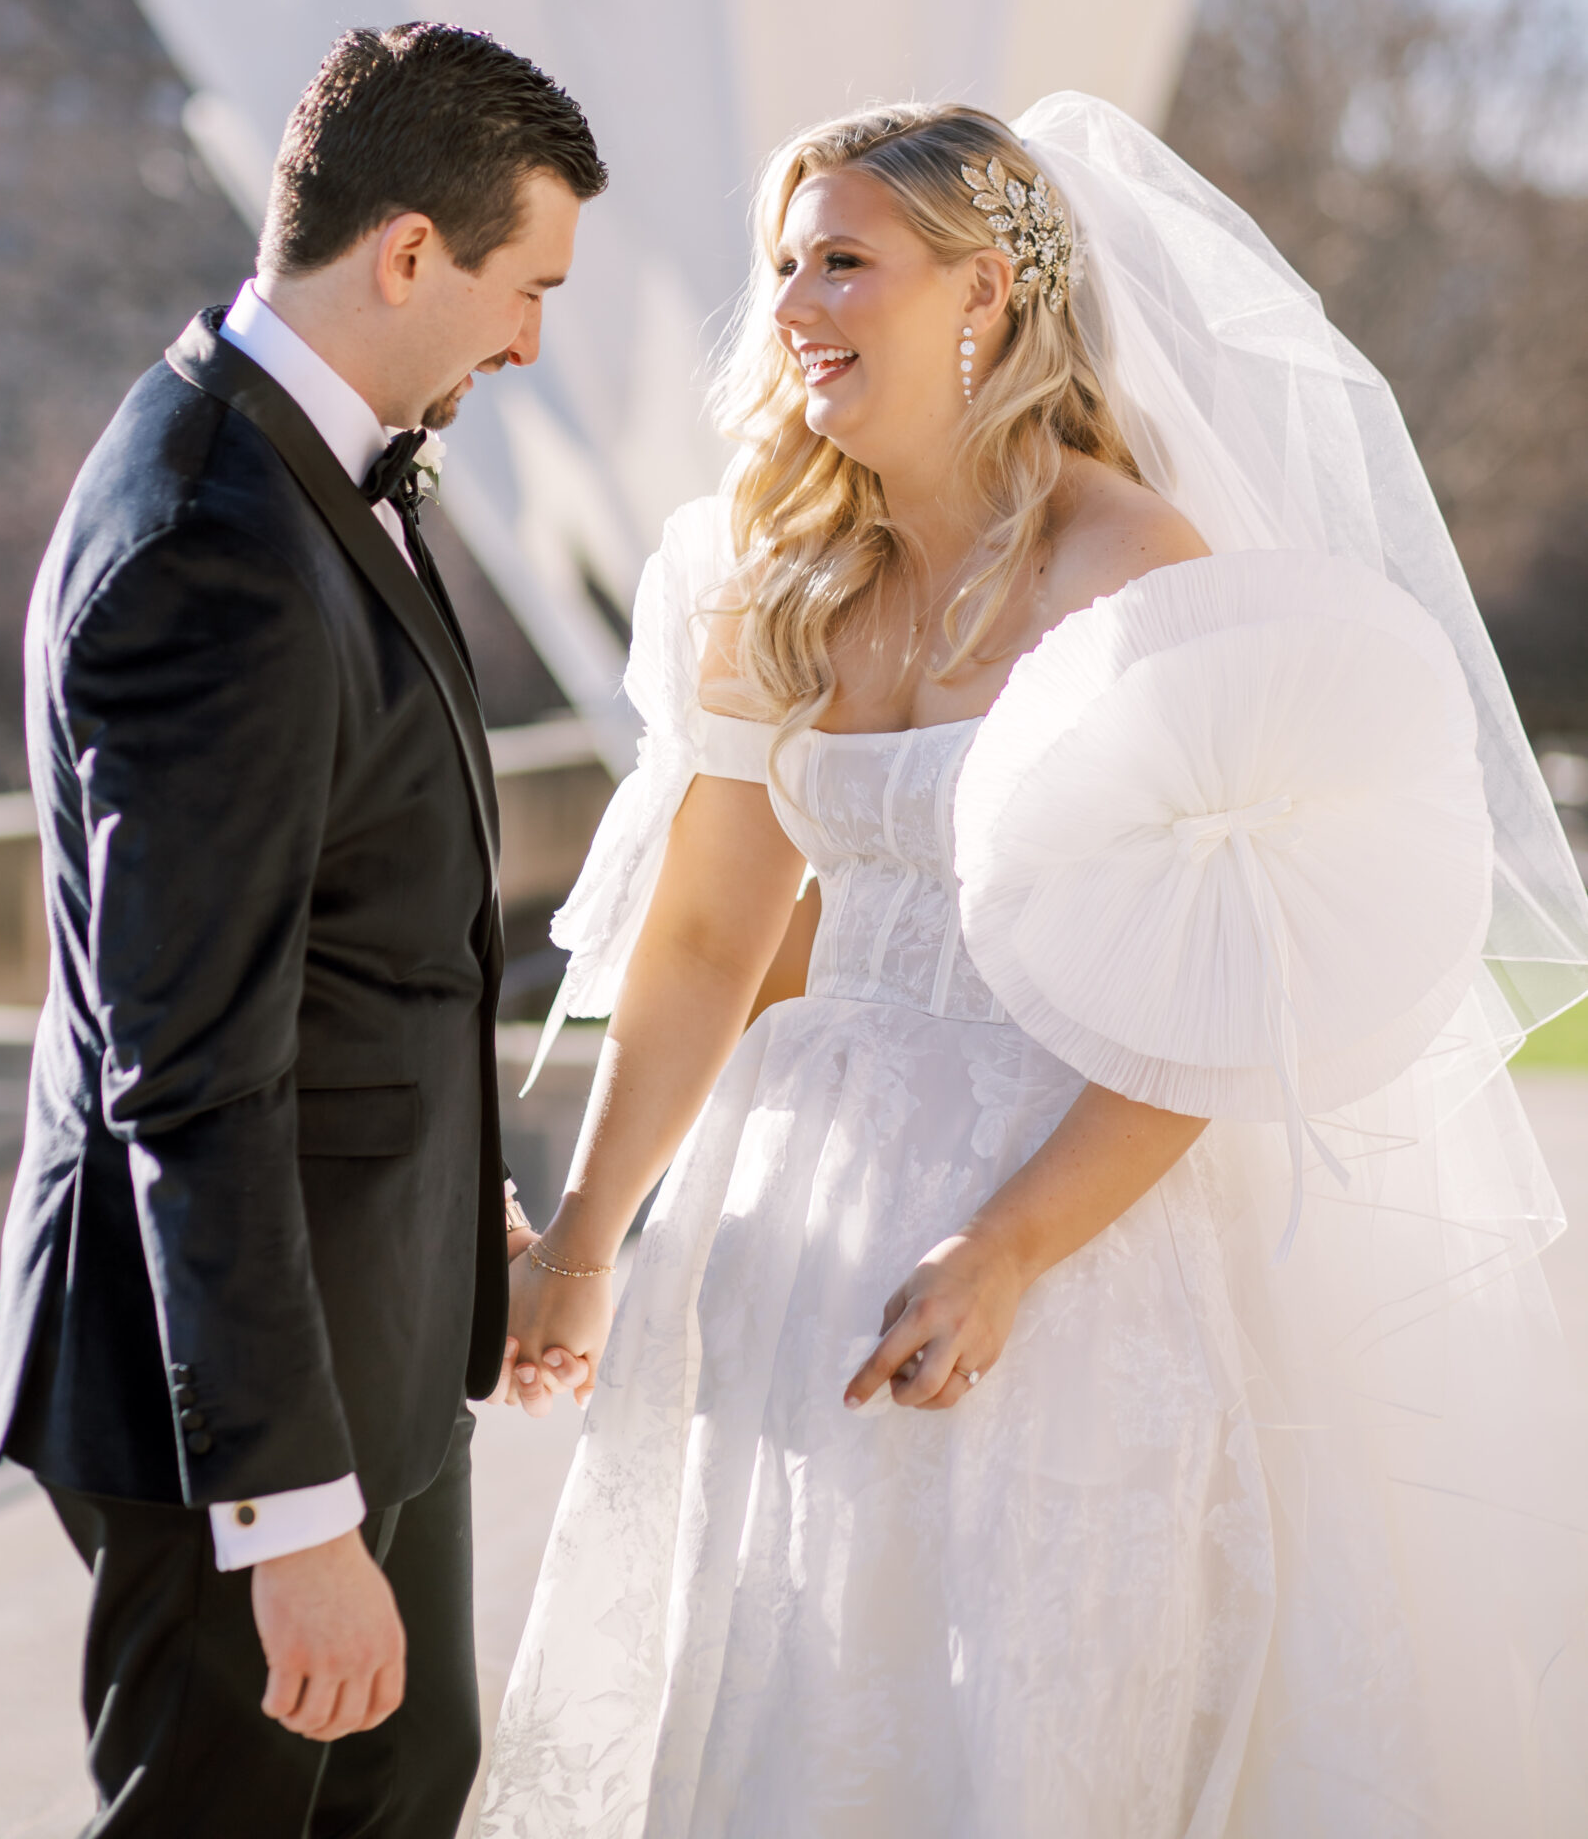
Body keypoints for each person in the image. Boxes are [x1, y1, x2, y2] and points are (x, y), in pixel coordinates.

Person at [480, 94, 1588, 1838]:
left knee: (1026, 1711)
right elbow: (703, 937)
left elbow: (1225, 987)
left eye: (843, 263)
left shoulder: (1137, 572)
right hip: (800, 1209)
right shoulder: (776, 578)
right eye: (784, 267)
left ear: (985, 292)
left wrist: (1008, 1245)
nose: (792, 307)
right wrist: (588, 1240)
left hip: (1067, 1233)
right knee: (793, 1694)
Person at [0, 22, 606, 1836]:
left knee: (404, 1793)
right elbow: (189, 1067)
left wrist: (459, 1224)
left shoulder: (306, 464)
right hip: (234, 1404)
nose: (530, 344)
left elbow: (359, 946)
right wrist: (286, 1515)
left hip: (364, 1331)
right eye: (527, 289)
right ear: (408, 251)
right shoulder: (212, 541)